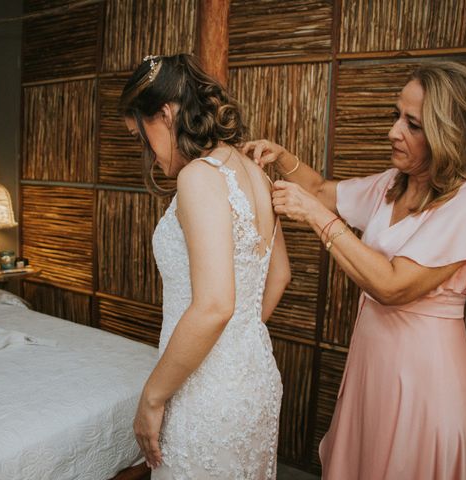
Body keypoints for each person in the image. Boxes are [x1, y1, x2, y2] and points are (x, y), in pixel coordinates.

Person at [243, 62, 466, 479]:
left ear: (448, 132)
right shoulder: (392, 185)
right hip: (375, 368)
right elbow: (320, 191)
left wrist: (317, 218)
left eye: (413, 124)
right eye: (396, 116)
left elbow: (392, 285)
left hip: (428, 385)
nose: (394, 131)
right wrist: (284, 158)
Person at [119, 53, 291, 479]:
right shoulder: (254, 171)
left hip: (208, 391)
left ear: (165, 113)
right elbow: (279, 273)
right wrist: (235, 344)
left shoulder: (198, 176)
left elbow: (214, 305)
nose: (146, 150)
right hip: (254, 377)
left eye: (142, 136)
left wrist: (153, 398)